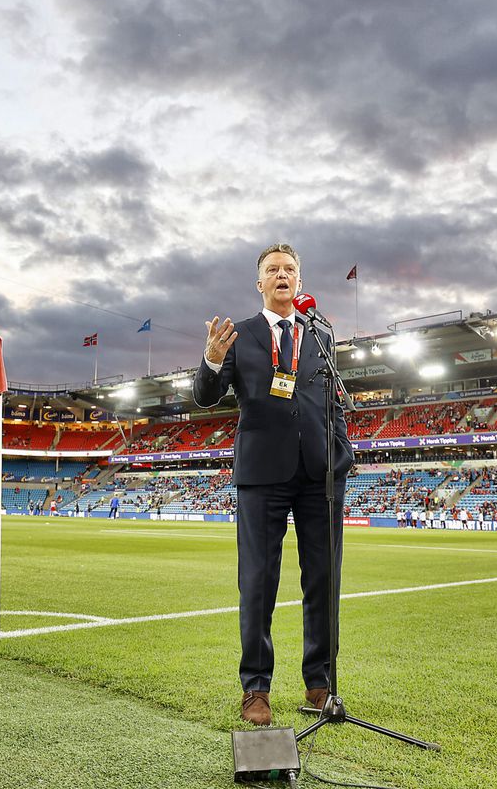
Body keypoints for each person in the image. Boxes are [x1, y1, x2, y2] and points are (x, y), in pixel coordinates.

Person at [194, 242, 354, 727]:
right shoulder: (238, 336)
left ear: (299, 282)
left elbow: (333, 399)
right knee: (259, 583)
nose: (282, 275)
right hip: (262, 472)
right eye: (272, 270)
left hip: (320, 473)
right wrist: (210, 358)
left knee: (323, 581)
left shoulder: (320, 332)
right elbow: (205, 397)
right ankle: (256, 688)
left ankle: (319, 683)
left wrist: (341, 454)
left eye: (289, 269)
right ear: (259, 283)